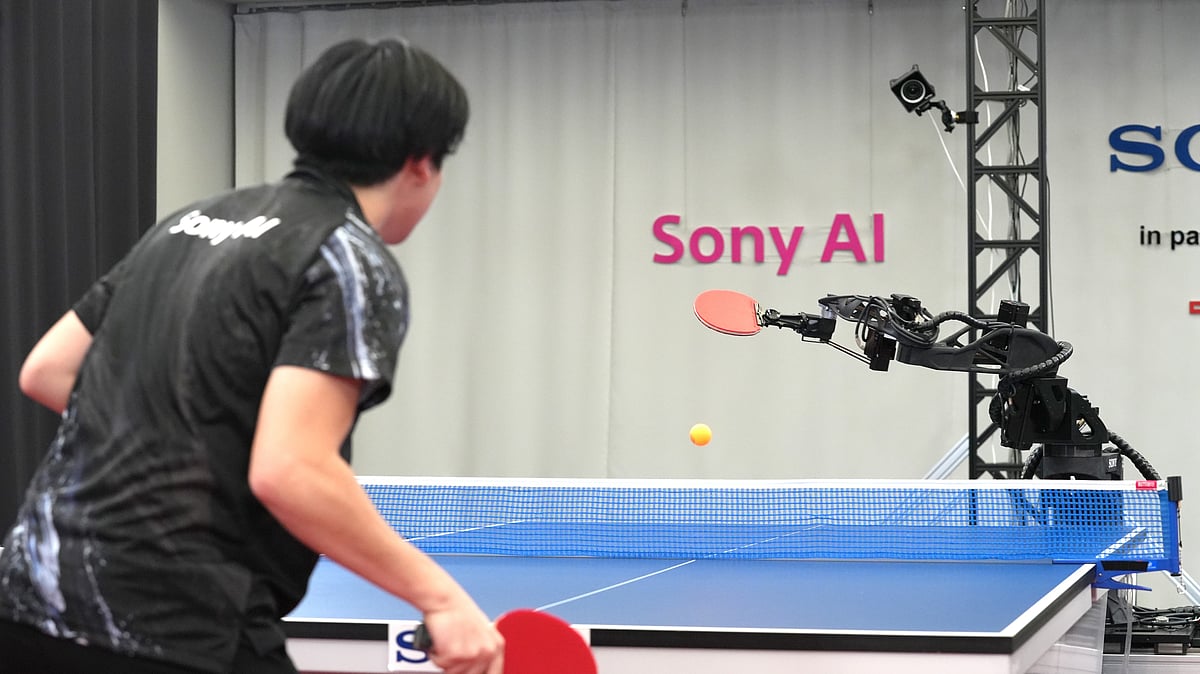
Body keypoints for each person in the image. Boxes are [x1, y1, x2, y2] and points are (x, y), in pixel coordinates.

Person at [0, 38, 504, 674]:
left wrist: (181, 439)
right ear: (421, 162)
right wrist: (442, 598)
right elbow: (289, 468)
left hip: (28, 605)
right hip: (175, 626)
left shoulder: (188, 223)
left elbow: (47, 370)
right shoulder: (347, 258)